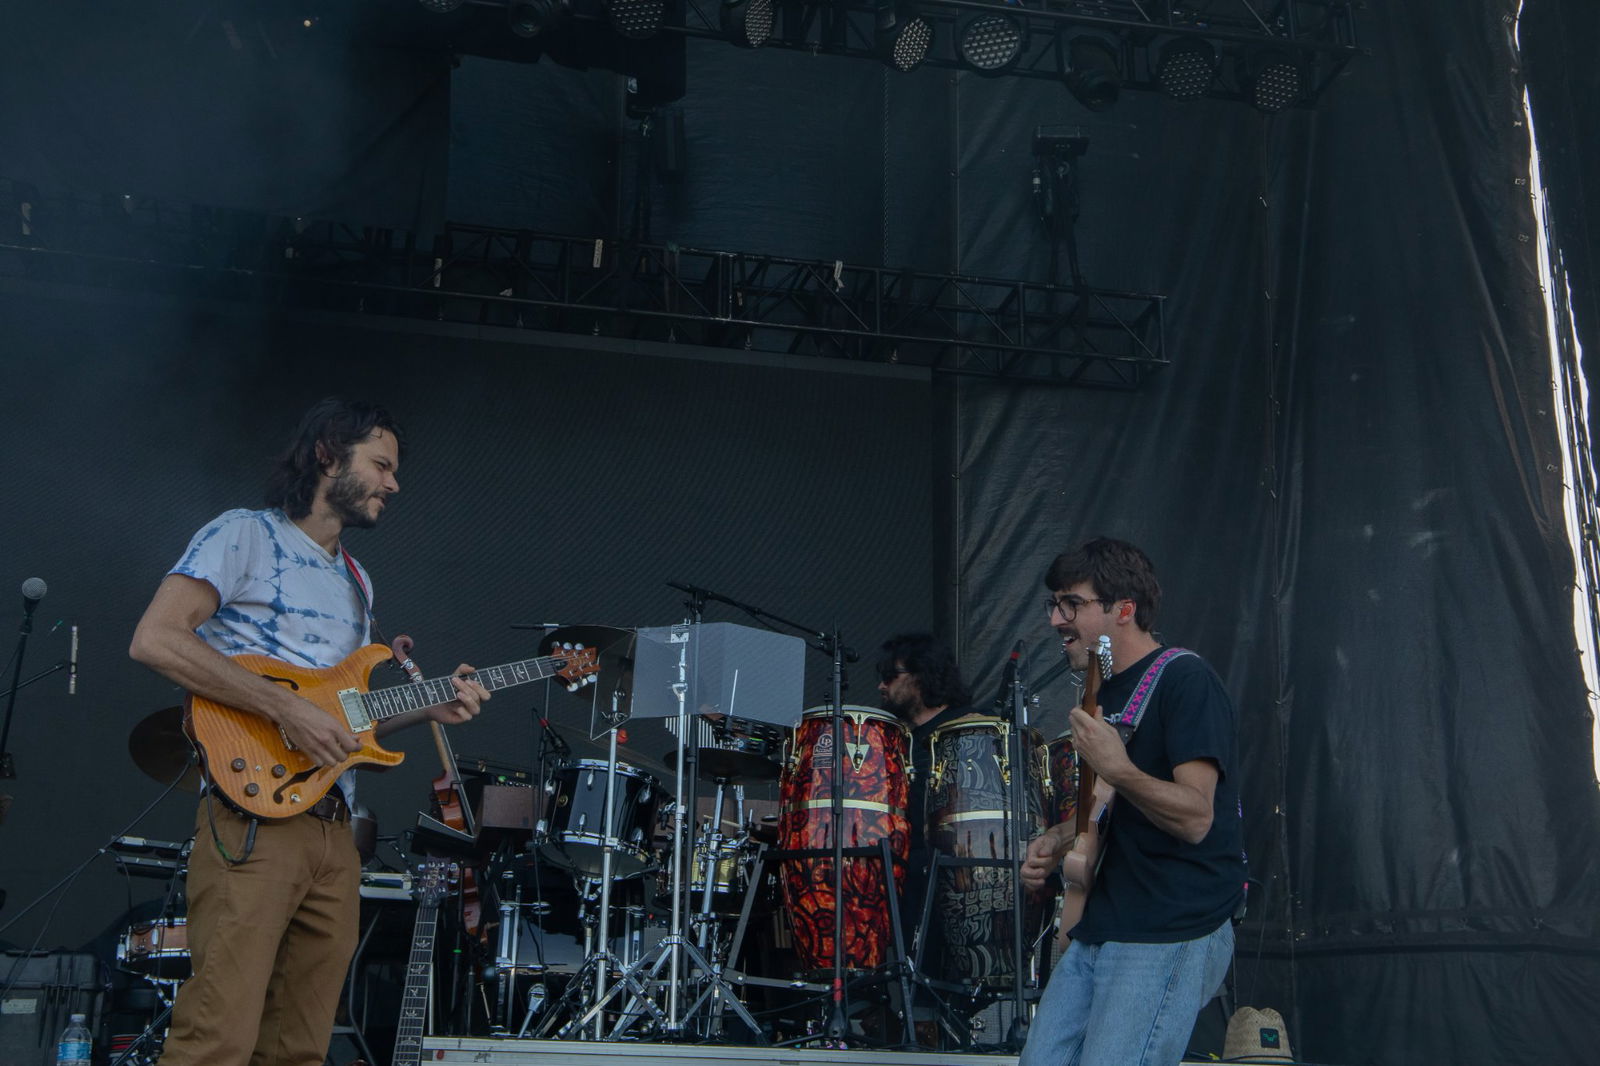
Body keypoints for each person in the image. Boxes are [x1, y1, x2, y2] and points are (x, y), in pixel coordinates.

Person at [128, 398, 491, 1066]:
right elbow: (155, 639)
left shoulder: (357, 580)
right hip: (254, 817)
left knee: (300, 1047)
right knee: (216, 1039)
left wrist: (426, 707)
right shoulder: (244, 535)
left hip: (335, 829)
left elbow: (343, 721)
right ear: (327, 455)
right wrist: (284, 709)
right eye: (381, 465)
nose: (393, 484)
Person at [1018, 537, 1243, 1066]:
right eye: (1054, 603)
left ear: (1123, 609)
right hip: (1104, 922)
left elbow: (1196, 817)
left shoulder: (1185, 679)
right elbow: (1111, 809)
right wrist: (1059, 839)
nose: (1055, 619)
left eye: (1071, 604)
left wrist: (1118, 766)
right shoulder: (1102, 693)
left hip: (1169, 924)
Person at [875, 634, 974, 980]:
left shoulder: (969, 729)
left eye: (890, 676)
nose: (881, 686)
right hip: (903, 875)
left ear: (920, 676)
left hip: (958, 877)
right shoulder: (893, 741)